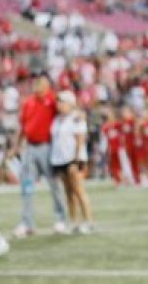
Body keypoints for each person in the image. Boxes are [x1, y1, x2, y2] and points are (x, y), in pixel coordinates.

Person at [8, 74, 68, 237]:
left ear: (47, 84)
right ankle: (27, 223)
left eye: (40, 81)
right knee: (26, 186)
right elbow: (23, 127)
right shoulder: (28, 102)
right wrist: (16, 146)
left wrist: (77, 114)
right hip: (30, 147)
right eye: (35, 81)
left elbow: (68, 109)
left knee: (54, 184)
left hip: (48, 147)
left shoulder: (53, 100)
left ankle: (61, 219)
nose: (37, 84)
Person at [50, 90, 94, 234]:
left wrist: (75, 160)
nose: (59, 104)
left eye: (62, 101)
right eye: (58, 102)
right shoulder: (57, 120)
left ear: (70, 103)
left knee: (78, 190)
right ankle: (73, 221)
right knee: (68, 192)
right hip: (60, 159)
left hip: (73, 159)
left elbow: (80, 139)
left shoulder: (76, 118)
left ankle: (88, 221)